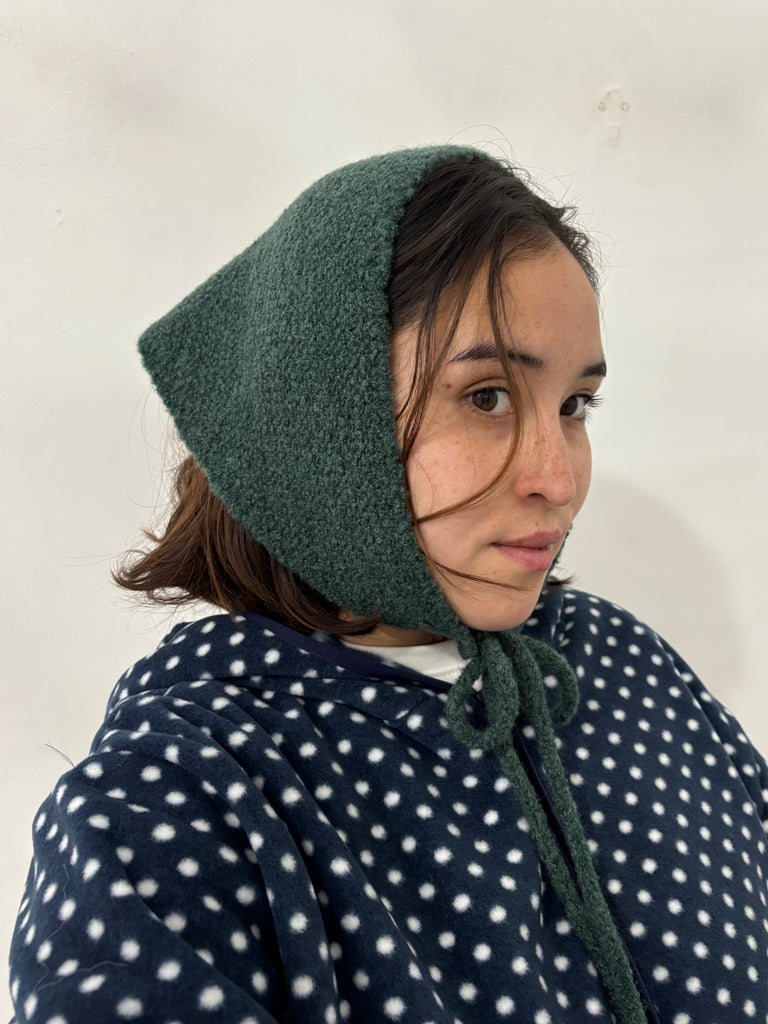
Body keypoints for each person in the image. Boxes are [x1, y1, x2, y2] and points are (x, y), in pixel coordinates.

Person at [8, 146, 767, 1024]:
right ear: (317, 421)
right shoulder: (175, 803)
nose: (558, 481)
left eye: (575, 405)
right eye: (486, 397)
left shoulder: (622, 666)